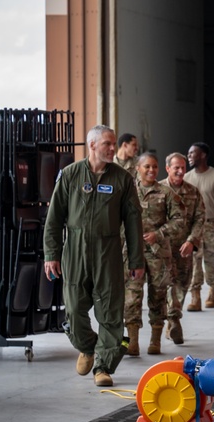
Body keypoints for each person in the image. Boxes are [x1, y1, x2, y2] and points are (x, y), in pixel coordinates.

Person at [43, 124, 144, 388]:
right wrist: (51, 254)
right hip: (75, 249)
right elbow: (54, 219)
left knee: (110, 312)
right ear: (92, 145)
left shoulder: (122, 179)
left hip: (108, 250)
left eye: (113, 144)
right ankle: (87, 347)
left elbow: (133, 222)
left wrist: (136, 260)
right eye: (107, 144)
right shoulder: (70, 175)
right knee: (74, 308)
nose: (113, 149)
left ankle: (103, 366)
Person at [124, 153, 183, 356]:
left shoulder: (166, 193)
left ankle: (155, 340)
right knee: (131, 296)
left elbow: (179, 220)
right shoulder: (128, 192)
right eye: (147, 166)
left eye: (155, 167)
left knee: (158, 296)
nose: (151, 170)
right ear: (138, 169)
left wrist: (158, 234)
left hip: (158, 254)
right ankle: (132, 341)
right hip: (132, 254)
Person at [160, 151, 205, 345]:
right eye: (176, 167)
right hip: (161, 249)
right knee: (163, 286)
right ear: (168, 168)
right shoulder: (157, 189)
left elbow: (200, 218)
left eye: (183, 168)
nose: (180, 171)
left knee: (181, 284)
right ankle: (170, 319)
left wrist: (192, 241)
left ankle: (173, 319)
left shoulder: (193, 192)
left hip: (183, 247)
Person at [184, 142, 214, 310]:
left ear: (203, 155)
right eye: (189, 153)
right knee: (193, 261)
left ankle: (213, 290)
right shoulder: (187, 178)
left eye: (193, 153)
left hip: (213, 223)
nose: (189, 156)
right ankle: (195, 296)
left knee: (212, 260)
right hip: (194, 226)